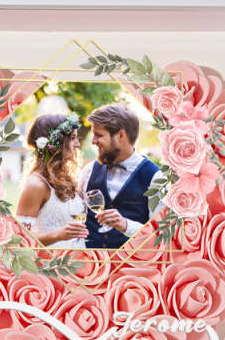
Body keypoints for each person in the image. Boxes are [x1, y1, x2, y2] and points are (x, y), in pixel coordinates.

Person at [79, 104, 164, 249]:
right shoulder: (89, 170)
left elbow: (160, 235)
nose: (93, 141)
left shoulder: (156, 178)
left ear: (121, 136)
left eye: (99, 135)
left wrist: (126, 225)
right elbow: (77, 214)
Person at [15, 113, 89, 249]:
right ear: (57, 143)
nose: (78, 144)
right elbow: (21, 240)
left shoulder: (64, 177)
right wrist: (58, 235)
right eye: (73, 138)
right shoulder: (36, 184)